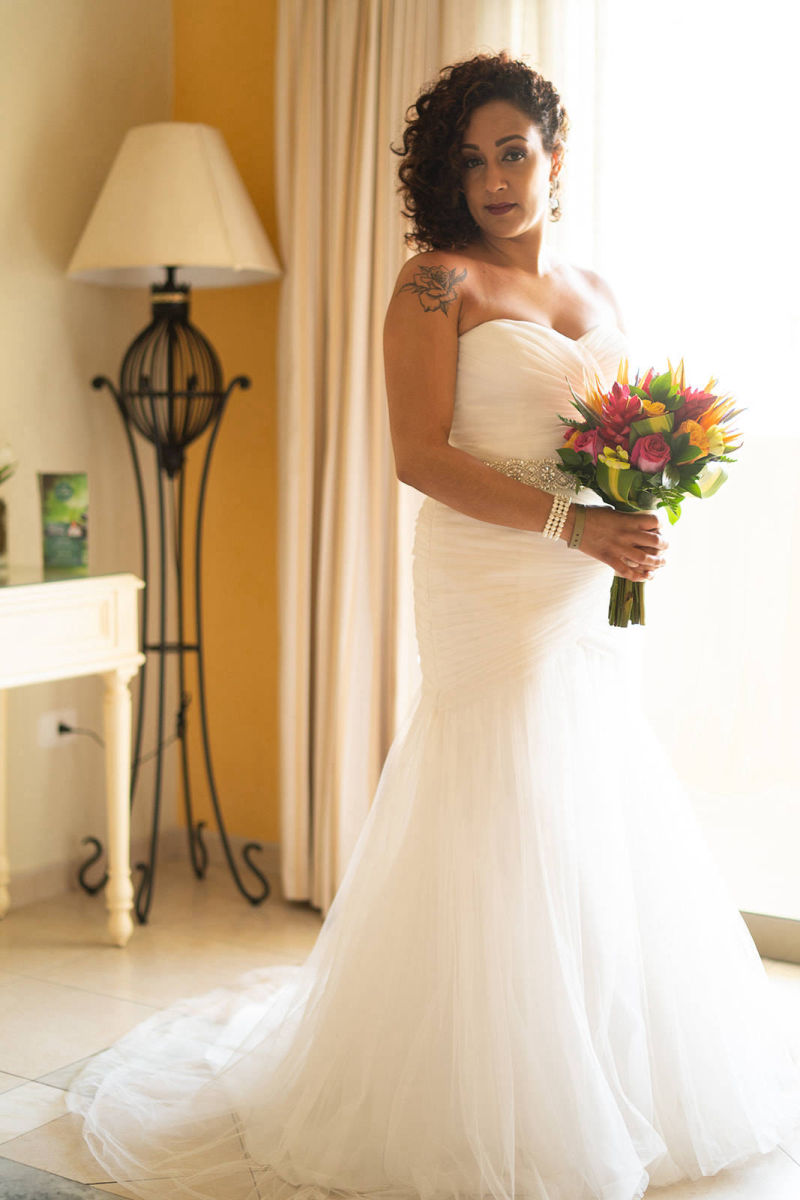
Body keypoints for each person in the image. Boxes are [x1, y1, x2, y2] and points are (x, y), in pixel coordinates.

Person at [69, 52, 800, 1200]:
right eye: (469, 161)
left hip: (580, 588)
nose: (494, 180)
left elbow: (608, 442)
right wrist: (574, 523)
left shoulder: (598, 291)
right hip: (485, 579)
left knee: (588, 794)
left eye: (512, 153)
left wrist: (630, 517)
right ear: (444, 177)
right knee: (496, 795)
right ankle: (486, 1090)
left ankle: (604, 1067)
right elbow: (417, 456)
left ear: (554, 156)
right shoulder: (431, 282)